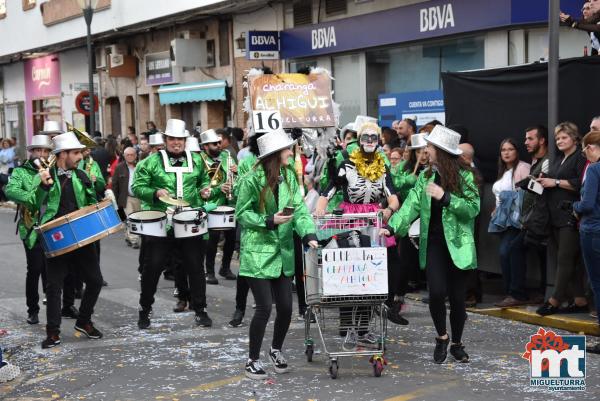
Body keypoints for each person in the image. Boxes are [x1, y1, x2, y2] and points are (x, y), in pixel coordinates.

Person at [381, 125, 480, 364]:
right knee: (436, 293)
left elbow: (473, 208)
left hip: (458, 245)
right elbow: (411, 206)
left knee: (457, 299)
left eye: (430, 147)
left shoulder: (464, 176)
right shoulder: (425, 176)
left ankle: (457, 343)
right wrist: (393, 227)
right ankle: (442, 337)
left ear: (441, 151)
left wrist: (446, 198)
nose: (426, 151)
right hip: (434, 243)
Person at [235, 127, 317, 379]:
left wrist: (309, 234)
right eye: (286, 149)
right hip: (258, 252)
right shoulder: (251, 178)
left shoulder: (289, 176)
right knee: (264, 307)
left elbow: (299, 211)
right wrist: (269, 220)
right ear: (273, 153)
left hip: (283, 253)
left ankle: (276, 349)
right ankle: (252, 359)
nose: (291, 152)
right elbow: (242, 214)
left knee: (285, 307)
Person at [315, 121, 405, 335]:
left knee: (371, 271)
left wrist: (389, 210)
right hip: (349, 217)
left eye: (374, 138)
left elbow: (392, 195)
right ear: (359, 139)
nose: (370, 142)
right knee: (349, 269)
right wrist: (321, 208)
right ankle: (346, 320)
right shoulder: (347, 165)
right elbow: (329, 189)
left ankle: (365, 322)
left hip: (372, 220)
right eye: (366, 137)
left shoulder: (382, 167)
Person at [132, 119, 213, 329]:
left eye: (180, 139)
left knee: (195, 267)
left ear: (185, 140)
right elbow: (137, 186)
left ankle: (200, 309)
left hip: (189, 222)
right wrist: (154, 193)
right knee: (152, 268)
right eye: (172, 139)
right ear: (165, 140)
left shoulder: (197, 160)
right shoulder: (150, 162)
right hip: (161, 225)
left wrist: (205, 191)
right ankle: (144, 309)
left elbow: (205, 180)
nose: (176, 142)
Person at [36, 132, 105, 348]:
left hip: (82, 237)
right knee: (54, 286)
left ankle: (84, 321)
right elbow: (31, 202)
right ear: (62, 154)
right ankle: (53, 332)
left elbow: (92, 203)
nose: (80, 156)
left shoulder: (82, 175)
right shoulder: (45, 176)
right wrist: (44, 187)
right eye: (76, 153)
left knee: (94, 280)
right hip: (56, 237)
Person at [536, 122, 588, 316]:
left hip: (571, 215)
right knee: (569, 261)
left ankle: (554, 300)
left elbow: (579, 184)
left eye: (564, 137)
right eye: (557, 138)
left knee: (564, 259)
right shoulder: (558, 159)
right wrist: (542, 180)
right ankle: (580, 300)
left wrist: (555, 181)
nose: (559, 141)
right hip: (554, 215)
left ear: (574, 138)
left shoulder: (580, 158)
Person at [4, 135, 54, 325]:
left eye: (46, 150)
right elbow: (11, 191)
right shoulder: (20, 171)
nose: (42, 154)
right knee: (34, 268)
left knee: (52, 270)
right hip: (30, 226)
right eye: (38, 150)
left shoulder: (55, 169)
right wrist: (33, 194)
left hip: (51, 225)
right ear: (31, 152)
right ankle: (32, 309)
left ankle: (56, 306)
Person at [492, 139, 531, 307]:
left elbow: (525, 195)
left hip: (516, 220)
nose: (506, 152)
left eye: (510, 149)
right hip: (502, 220)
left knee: (506, 252)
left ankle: (516, 292)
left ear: (517, 151)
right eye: (503, 150)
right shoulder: (503, 170)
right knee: (504, 254)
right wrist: (495, 208)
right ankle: (510, 292)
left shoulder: (523, 167)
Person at [391, 133, 430, 296]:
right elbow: (393, 184)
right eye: (418, 151)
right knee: (404, 257)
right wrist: (408, 179)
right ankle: (397, 296)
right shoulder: (404, 167)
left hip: (428, 218)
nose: (422, 155)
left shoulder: (434, 170)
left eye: (426, 151)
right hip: (408, 215)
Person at [573, 130, 600, 354]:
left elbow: (587, 204)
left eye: (585, 149)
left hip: (593, 231)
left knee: (598, 285)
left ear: (593, 147)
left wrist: (574, 207)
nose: (585, 154)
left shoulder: (594, 170)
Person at [199, 129, 237, 284]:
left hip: (229, 203)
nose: (219, 145)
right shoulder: (199, 160)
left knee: (231, 237)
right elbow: (200, 187)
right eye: (215, 143)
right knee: (212, 239)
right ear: (206, 146)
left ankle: (225, 267)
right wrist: (218, 189)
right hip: (211, 204)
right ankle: (209, 271)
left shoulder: (226, 156)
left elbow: (234, 177)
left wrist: (237, 172)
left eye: (219, 142)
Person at [112, 147, 140, 248]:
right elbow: (115, 184)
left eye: (132, 154)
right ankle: (134, 239)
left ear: (136, 155)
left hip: (139, 197)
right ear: (124, 156)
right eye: (127, 155)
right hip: (126, 198)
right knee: (131, 218)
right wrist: (114, 200)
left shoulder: (140, 166)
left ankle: (128, 236)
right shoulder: (120, 167)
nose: (130, 157)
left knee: (137, 218)